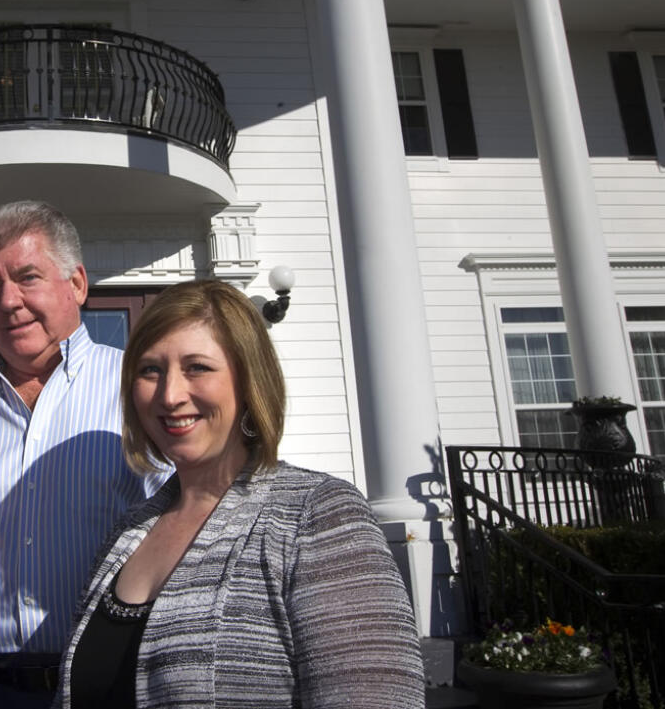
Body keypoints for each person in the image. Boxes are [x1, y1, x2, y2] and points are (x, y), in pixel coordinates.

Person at [56, 280, 425, 708]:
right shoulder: (128, 532)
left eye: (197, 367)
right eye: (150, 370)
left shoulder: (318, 515)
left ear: (249, 382)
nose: (170, 395)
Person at [0, 200, 163, 709]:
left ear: (76, 284)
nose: (7, 301)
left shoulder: (142, 392)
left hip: (116, 684)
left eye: (27, 277)